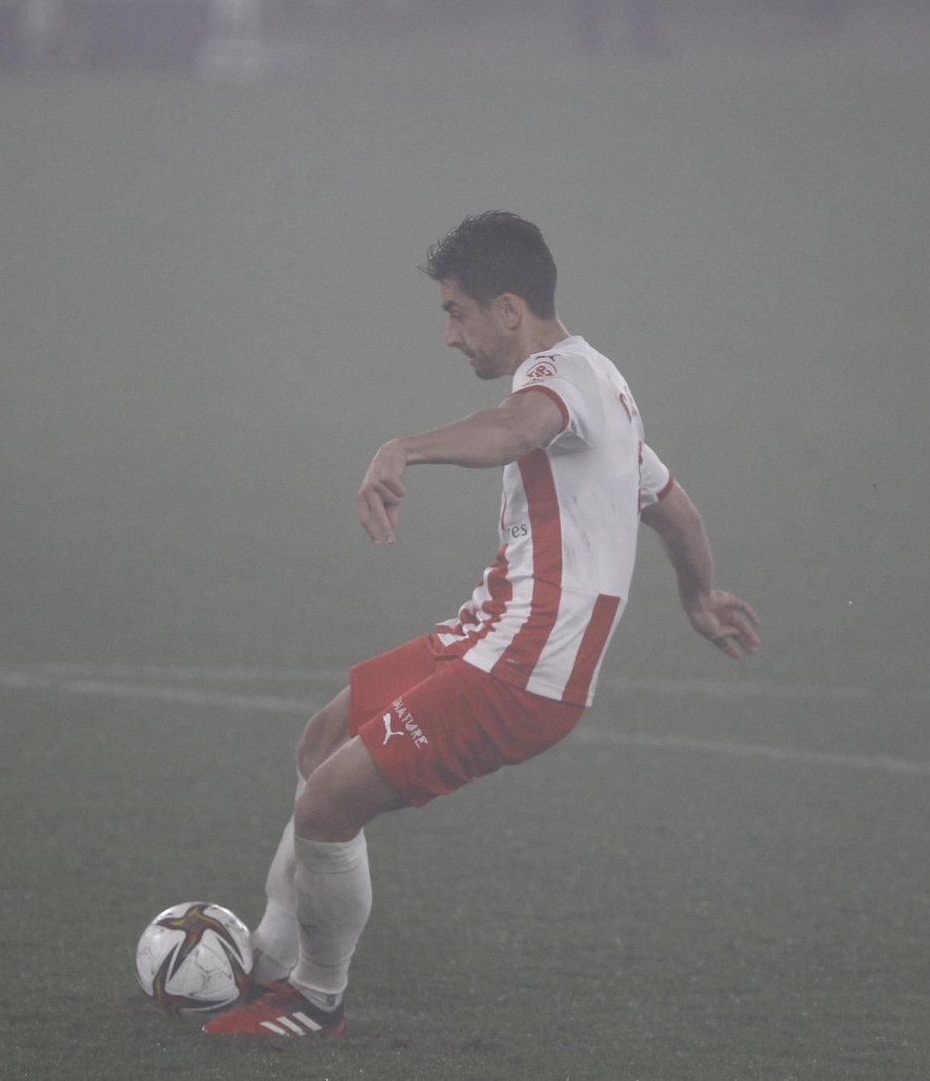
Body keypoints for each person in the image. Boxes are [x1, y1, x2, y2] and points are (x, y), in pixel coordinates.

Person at [203, 211, 760, 1039]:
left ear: (509, 307)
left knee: (325, 809)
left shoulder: (558, 385)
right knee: (323, 743)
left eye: (456, 312)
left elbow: (517, 429)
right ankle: (272, 958)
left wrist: (403, 448)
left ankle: (315, 1000)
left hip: (523, 673)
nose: (449, 335)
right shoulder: (604, 385)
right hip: (489, 636)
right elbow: (676, 514)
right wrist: (699, 597)